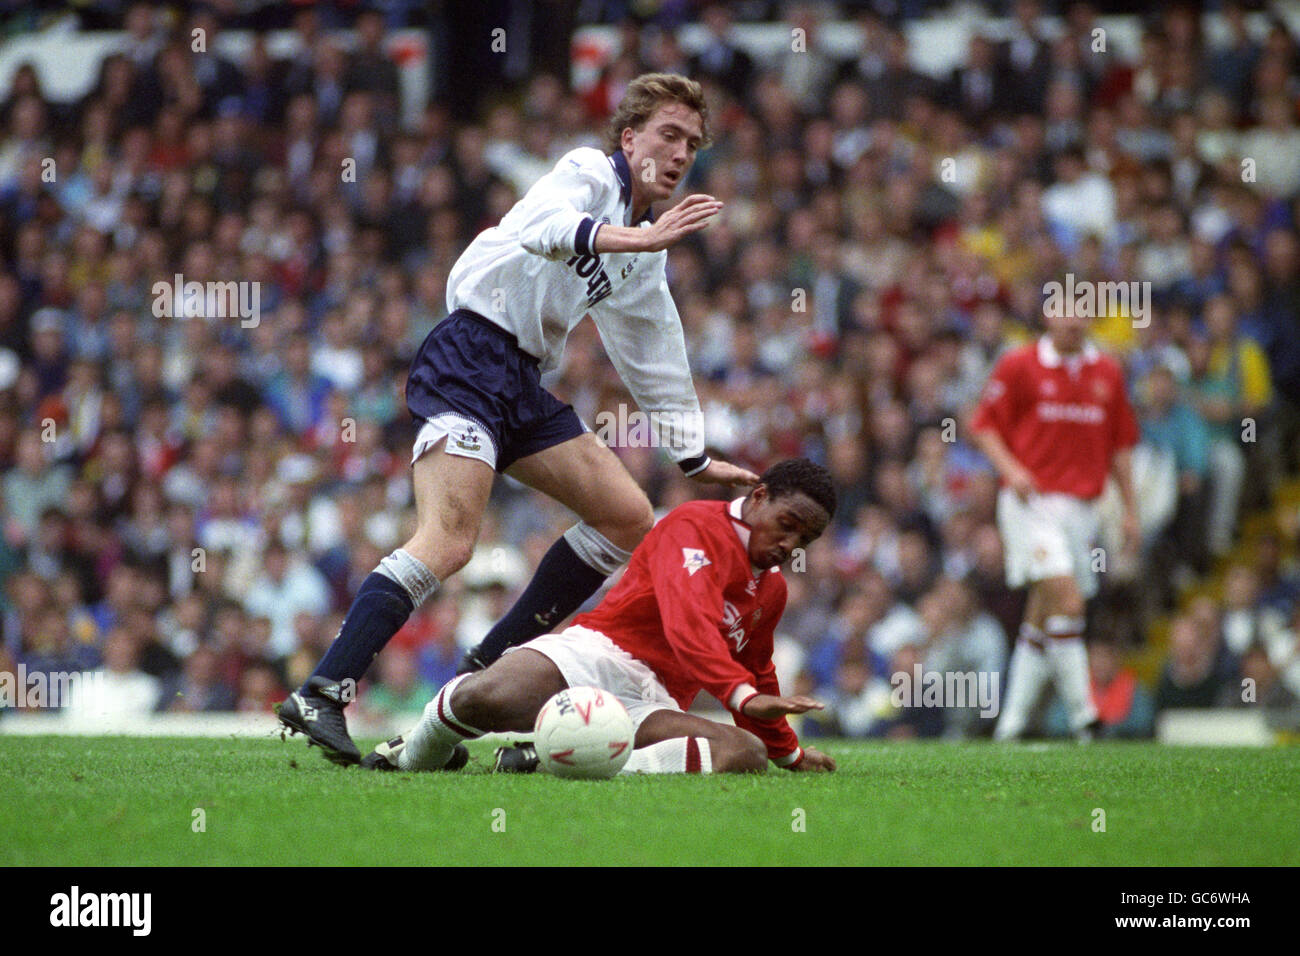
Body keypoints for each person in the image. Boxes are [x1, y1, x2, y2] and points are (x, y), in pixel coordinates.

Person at [277, 73, 757, 763]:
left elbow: (654, 350)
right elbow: (538, 227)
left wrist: (692, 456)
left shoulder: (639, 247)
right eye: (668, 135)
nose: (682, 154)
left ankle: (478, 680)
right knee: (449, 540)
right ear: (630, 138)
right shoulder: (589, 173)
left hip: (522, 381)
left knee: (627, 516)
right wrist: (632, 241)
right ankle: (323, 688)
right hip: (470, 353)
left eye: (692, 144)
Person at [361, 459, 838, 776]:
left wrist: (790, 753)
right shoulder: (694, 525)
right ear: (758, 497)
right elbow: (686, 622)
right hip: (596, 653)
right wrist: (741, 695)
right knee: (485, 695)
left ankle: (541, 762)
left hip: (655, 698)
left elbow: (758, 669)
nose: (790, 545)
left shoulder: (771, 589)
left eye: (804, 540)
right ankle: (416, 753)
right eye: (788, 525)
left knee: (743, 753)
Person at [969, 300, 1140, 740]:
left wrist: (1131, 510)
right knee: (1068, 601)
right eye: (1063, 310)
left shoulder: (1107, 372)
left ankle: (1010, 726)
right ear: (1047, 316)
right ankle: (1085, 715)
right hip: (1032, 504)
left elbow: (1121, 446)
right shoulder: (1019, 364)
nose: (1072, 320)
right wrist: (1011, 470)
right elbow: (983, 425)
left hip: (1084, 508)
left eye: (1081, 311)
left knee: (1041, 618)